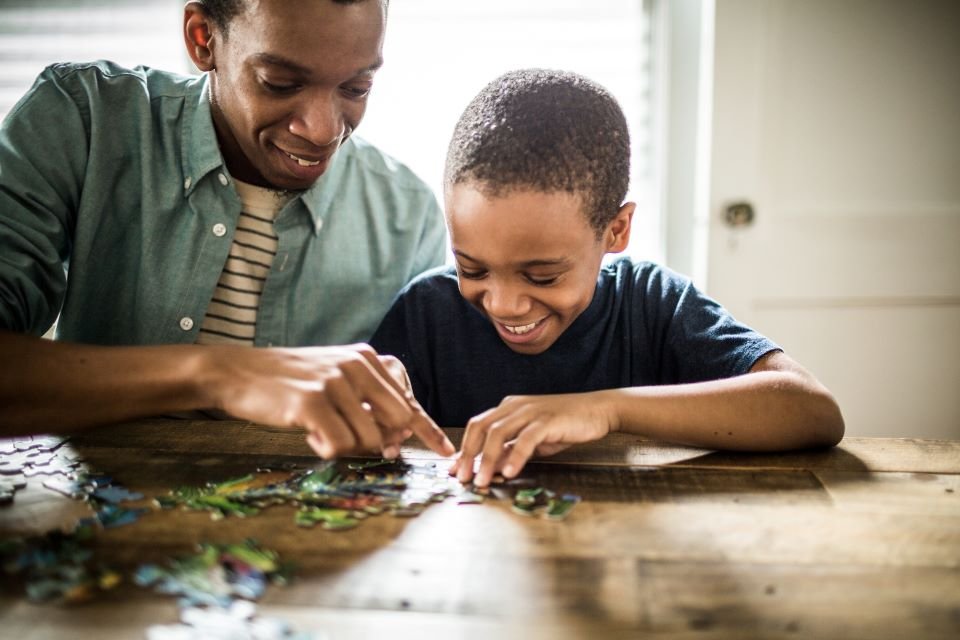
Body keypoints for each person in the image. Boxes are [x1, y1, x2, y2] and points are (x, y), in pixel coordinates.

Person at [0, 0, 455, 460]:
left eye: (356, 88)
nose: (322, 131)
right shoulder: (85, 120)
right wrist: (219, 375)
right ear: (204, 39)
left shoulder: (408, 216)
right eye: (280, 83)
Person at [370, 69, 845, 487]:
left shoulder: (655, 303)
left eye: (541, 276)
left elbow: (813, 412)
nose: (503, 303)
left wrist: (605, 409)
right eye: (472, 268)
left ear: (615, 231)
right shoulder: (427, 311)